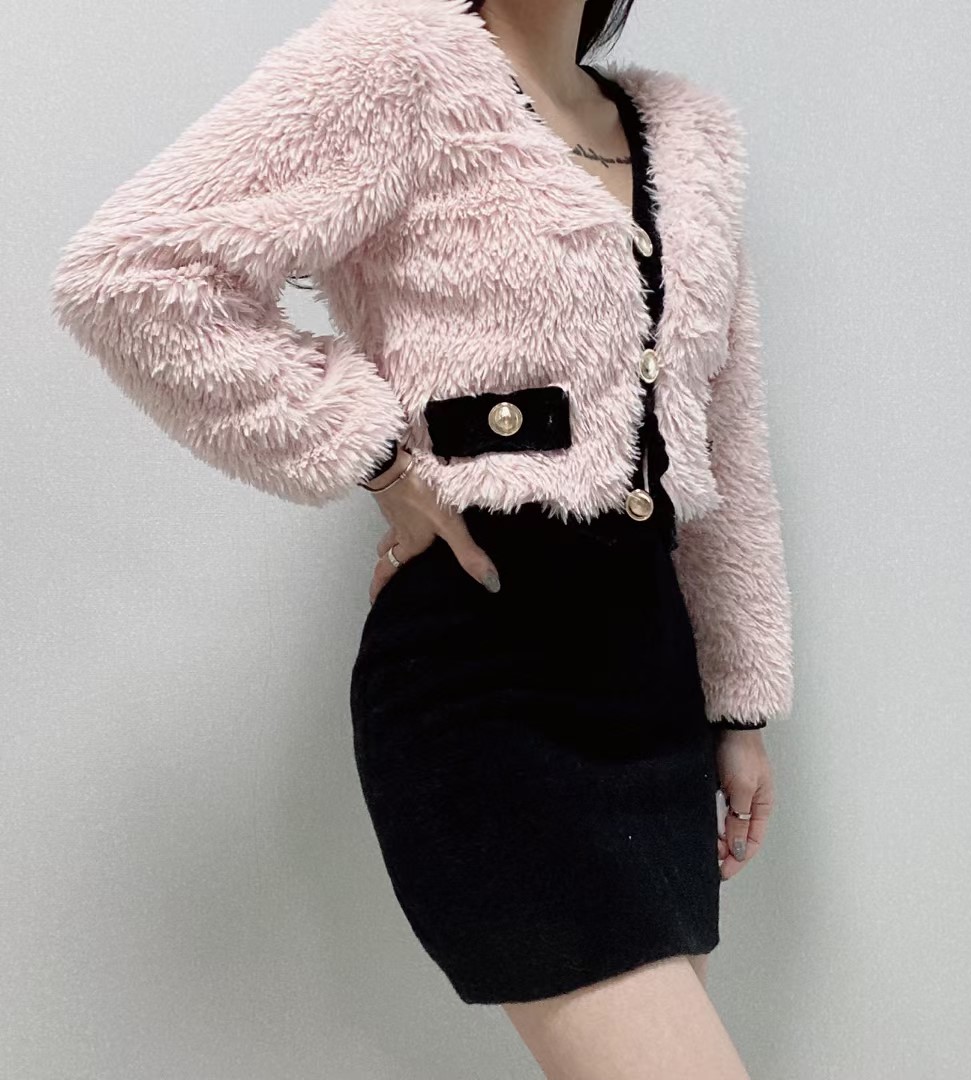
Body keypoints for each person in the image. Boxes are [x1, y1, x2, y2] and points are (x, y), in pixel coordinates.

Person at [50, 0, 794, 1074]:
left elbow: (726, 430)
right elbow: (131, 274)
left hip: (651, 687)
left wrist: (738, 704)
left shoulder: (689, 135)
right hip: (487, 677)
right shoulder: (393, 64)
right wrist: (375, 456)